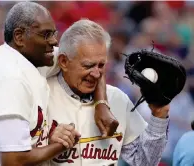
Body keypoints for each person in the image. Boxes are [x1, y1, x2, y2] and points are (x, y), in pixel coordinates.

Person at [0, 2, 117, 166]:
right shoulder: (10, 79)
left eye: (53, 33)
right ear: (19, 37)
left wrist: (101, 104)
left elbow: (88, 61)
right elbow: (14, 160)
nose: (53, 41)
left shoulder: (31, 57)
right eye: (45, 35)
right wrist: (61, 144)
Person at [46, 19, 170, 166]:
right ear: (64, 62)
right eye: (88, 65)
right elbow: (16, 156)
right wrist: (47, 144)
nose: (96, 74)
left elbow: (144, 162)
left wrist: (159, 116)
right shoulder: (42, 95)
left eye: (101, 65)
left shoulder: (117, 99)